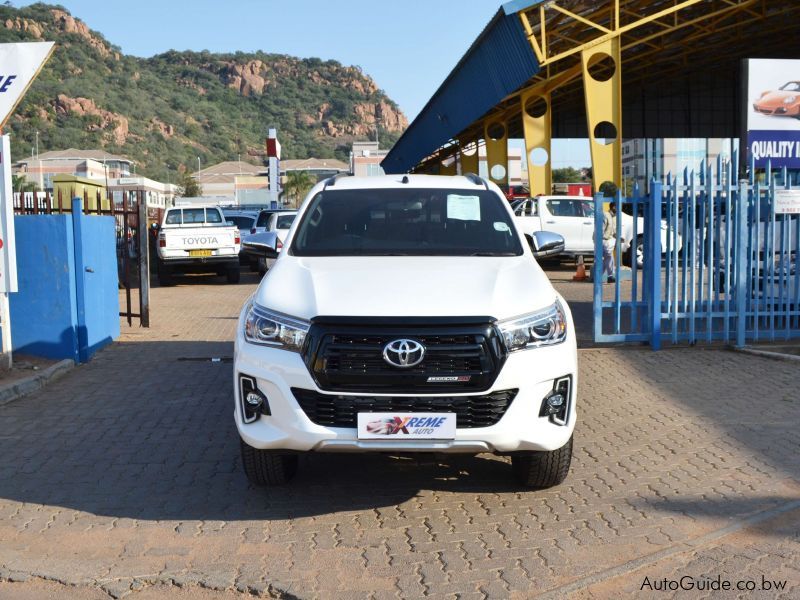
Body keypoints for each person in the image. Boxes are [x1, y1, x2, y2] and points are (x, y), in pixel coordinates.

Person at [601, 202, 617, 283]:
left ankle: (599, 276)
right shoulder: (605, 215)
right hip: (603, 240)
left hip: (609, 241)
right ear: (613, 207)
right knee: (609, 256)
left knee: (607, 259)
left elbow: (613, 231)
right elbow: (601, 229)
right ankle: (610, 276)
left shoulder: (614, 217)